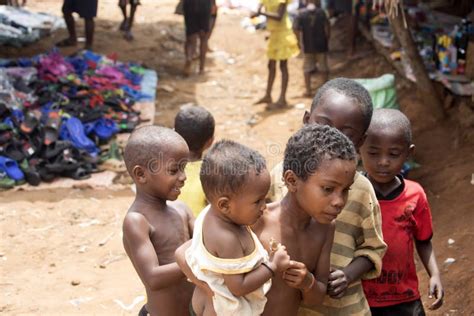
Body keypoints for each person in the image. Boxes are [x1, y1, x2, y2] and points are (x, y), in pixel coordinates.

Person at [177, 124, 357, 315]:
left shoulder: (325, 229)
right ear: (292, 180)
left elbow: (316, 298)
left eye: (346, 190)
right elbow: (183, 255)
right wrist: (216, 293)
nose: (339, 201)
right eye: (328, 189)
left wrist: (307, 283)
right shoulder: (254, 219)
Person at [267, 78, 387, 316]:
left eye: (345, 133)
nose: (330, 138)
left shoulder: (361, 190)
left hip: (345, 308)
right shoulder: (279, 175)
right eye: (323, 125)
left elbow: (374, 247)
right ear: (305, 120)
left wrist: (349, 274)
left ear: (360, 142)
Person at [185, 140, 291, 315]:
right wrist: (273, 265)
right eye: (258, 201)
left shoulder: (210, 213)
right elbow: (238, 287)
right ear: (225, 205)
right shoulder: (227, 239)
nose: (264, 206)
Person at [360, 109, 444, 315]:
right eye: (373, 153)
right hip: (362, 299)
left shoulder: (415, 194)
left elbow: (423, 240)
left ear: (409, 153)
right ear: (359, 147)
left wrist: (434, 274)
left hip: (405, 298)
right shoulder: (352, 193)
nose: (383, 161)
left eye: (394, 154)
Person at [122, 125, 195, 316]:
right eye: (174, 171)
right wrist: (197, 256)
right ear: (141, 175)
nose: (183, 177)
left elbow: (208, 242)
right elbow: (153, 278)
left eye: (183, 168)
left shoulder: (182, 210)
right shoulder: (137, 221)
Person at [252, 0, 300, 109]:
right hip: (274, 33)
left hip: (283, 34)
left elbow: (279, 16)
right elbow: (260, 7)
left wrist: (261, 13)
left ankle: (282, 98)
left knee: (283, 66)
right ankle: (268, 95)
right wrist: (256, 13)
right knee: (271, 65)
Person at [174, 105, 215, 217]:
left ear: (175, 135)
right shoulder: (213, 176)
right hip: (197, 233)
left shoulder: (160, 170)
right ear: (210, 141)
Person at [293, 0, 330, 97]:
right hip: (321, 45)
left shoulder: (301, 13)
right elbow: (327, 28)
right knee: (323, 67)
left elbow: (295, 28)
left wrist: (298, 42)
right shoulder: (321, 12)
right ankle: (325, 91)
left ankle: (308, 91)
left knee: (307, 68)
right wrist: (327, 40)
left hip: (308, 45)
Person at [183, 0, 212, 76]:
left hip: (189, 4)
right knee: (204, 39)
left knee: (190, 38)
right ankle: (201, 69)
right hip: (205, 5)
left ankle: (189, 57)